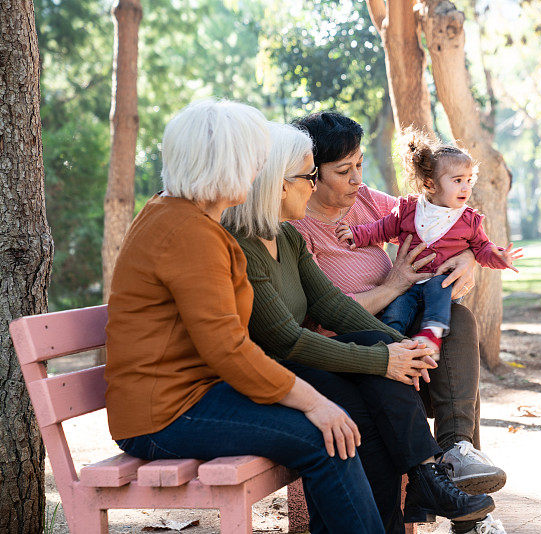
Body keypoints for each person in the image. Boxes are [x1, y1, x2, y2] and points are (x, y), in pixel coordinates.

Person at [104, 99, 383, 534]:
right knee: (326, 437)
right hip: (164, 415)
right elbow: (228, 349)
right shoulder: (189, 232)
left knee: (334, 427)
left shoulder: (185, 216)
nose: (259, 170)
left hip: (194, 396)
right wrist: (314, 401)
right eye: (253, 159)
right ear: (226, 164)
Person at [220, 121, 495, 533]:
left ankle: (443, 464)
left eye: (358, 166)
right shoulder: (268, 238)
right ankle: (427, 479)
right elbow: (290, 338)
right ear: (277, 183)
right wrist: (384, 352)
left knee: (442, 330)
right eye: (310, 176)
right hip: (290, 367)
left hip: (334, 352)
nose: (313, 186)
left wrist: (399, 346)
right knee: (367, 402)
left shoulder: (288, 238)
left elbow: (331, 302)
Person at [291, 112, 508, 534]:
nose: (358, 178)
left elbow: (440, 224)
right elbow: (320, 316)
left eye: (358, 164)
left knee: (456, 323)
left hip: (404, 344)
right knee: (447, 365)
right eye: (344, 170)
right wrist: (394, 285)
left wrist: (468, 258)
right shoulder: (297, 228)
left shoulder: (368, 201)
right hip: (352, 356)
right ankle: (465, 503)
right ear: (310, 176)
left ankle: (457, 453)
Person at [335, 129, 522, 358]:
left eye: (468, 180)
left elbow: (482, 248)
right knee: (396, 310)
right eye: (457, 181)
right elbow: (382, 229)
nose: (466, 187)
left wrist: (499, 257)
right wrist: (356, 234)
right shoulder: (408, 210)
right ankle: (393, 346)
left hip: (441, 284)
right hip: (408, 283)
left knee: (438, 287)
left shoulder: (468, 220)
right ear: (430, 184)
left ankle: (432, 336)